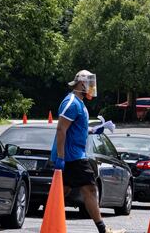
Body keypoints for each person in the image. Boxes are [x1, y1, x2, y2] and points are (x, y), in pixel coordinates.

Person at [51, 70, 109, 233]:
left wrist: (94, 130)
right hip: (72, 157)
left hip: (74, 155)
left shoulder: (80, 103)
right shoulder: (71, 103)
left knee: (63, 191)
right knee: (90, 188)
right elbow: (61, 129)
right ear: (82, 83)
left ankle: (50, 223)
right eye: (90, 84)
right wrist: (61, 158)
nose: (92, 88)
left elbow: (76, 129)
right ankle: (102, 229)